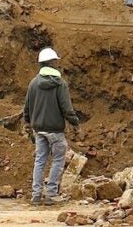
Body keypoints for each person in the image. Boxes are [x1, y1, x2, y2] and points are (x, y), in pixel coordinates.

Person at [23, 47, 80, 205]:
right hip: (55, 130)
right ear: (51, 62)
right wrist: (75, 123)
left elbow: (27, 106)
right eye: (56, 60)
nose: (57, 63)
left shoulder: (34, 83)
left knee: (40, 161)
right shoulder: (60, 83)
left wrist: (27, 123)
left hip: (39, 129)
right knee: (58, 160)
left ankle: (36, 195)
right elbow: (66, 108)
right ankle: (51, 194)